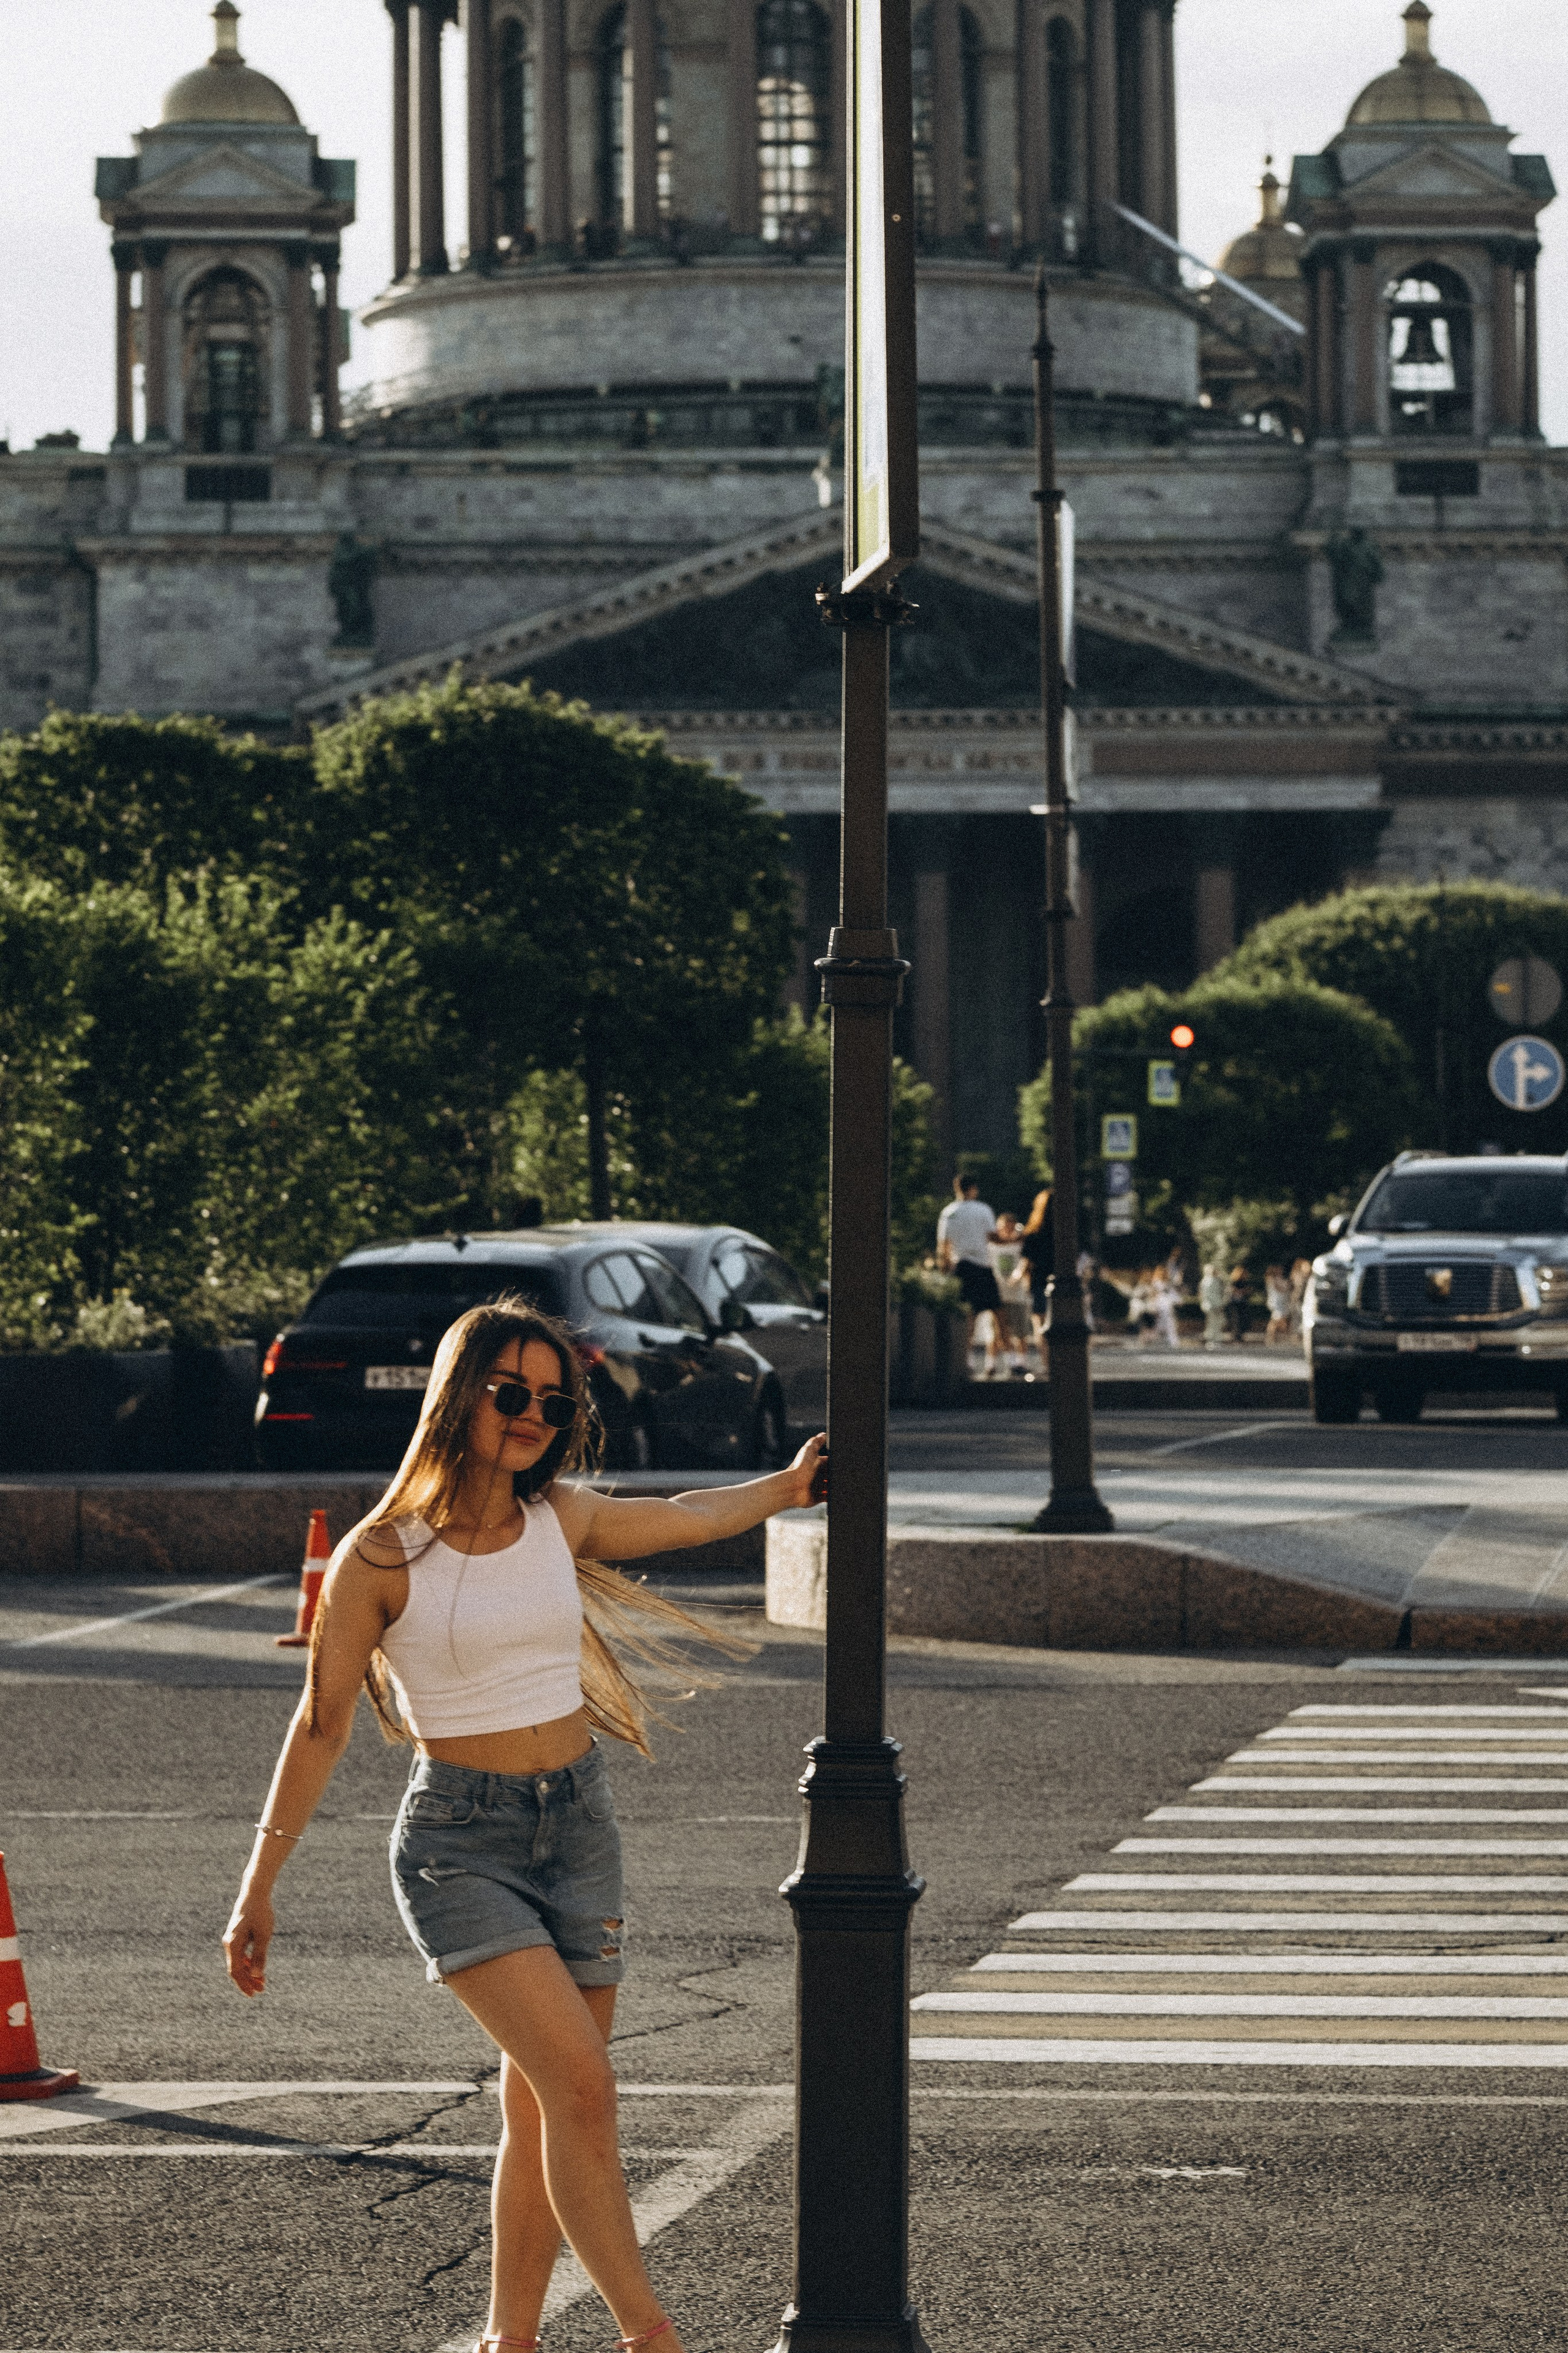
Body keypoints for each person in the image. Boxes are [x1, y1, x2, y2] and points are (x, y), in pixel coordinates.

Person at [223, 1297, 825, 2353]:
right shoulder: (383, 1556)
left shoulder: (564, 1518)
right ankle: (651, 2336)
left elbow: (686, 1515)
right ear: (459, 1397)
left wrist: (785, 1489)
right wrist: (257, 1887)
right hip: (461, 1844)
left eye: (554, 1398)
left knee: (544, 2106)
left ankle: (512, 2341)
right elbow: (319, 1725)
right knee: (585, 2088)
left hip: (579, 1825)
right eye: (511, 1393)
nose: (534, 1413)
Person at [936, 1173, 1001, 1377]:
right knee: (998, 1313)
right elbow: (993, 1237)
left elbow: (944, 1246)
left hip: (961, 1267)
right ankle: (1006, 1361)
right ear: (973, 1188)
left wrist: (945, 1269)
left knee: (969, 1318)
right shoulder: (983, 1210)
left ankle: (969, 1360)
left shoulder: (949, 1212)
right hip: (982, 1265)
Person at [989, 1211, 1031, 1376]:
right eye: (1003, 1228)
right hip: (998, 1295)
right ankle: (991, 1364)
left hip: (1018, 1295)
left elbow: (1025, 1262)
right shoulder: (991, 1246)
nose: (1006, 1231)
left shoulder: (1021, 1246)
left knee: (1021, 1332)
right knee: (995, 1333)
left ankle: (1021, 1363)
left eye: (1010, 1228)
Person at [1017, 1188, 1055, 1361]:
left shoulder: (1033, 1234)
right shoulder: (1064, 1235)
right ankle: (1059, 1364)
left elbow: (1027, 1263)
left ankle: (1048, 1365)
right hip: (1061, 1285)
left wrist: (1019, 1279)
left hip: (1038, 1283)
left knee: (1040, 1327)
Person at [1198, 1261, 1228, 1348]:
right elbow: (1209, 1295)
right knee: (1213, 1324)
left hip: (1213, 1305)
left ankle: (1215, 1340)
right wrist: (1218, 1305)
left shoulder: (1211, 1280)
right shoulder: (1209, 1281)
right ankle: (1212, 1341)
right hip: (1213, 1306)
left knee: (1216, 1323)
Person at [1264, 1263, 1292, 1345]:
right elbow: (1279, 1288)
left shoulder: (1280, 1278)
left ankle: (1274, 1337)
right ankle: (1270, 1337)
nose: (1280, 1271)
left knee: (1281, 1319)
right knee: (1275, 1320)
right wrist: (1286, 1288)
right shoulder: (1271, 1279)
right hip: (1276, 1302)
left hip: (1283, 1301)